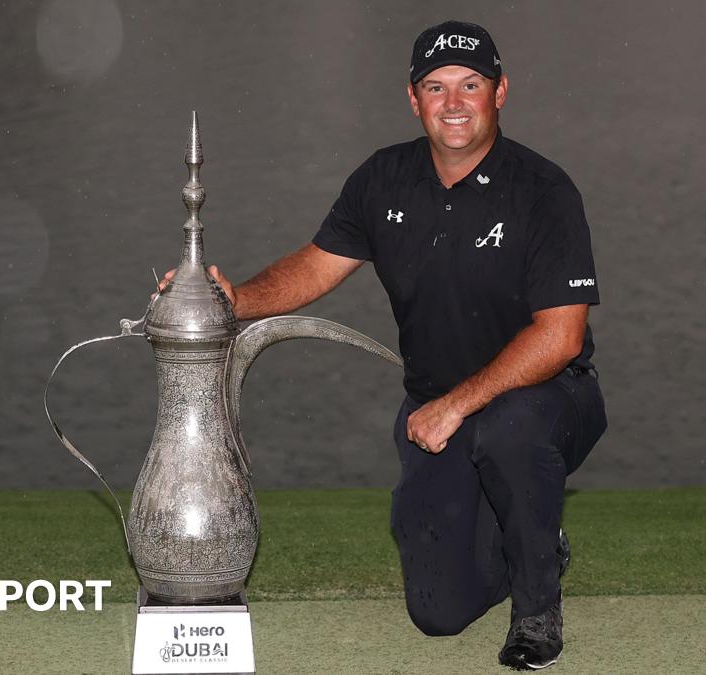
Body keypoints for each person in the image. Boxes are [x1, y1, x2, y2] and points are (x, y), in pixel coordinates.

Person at [160, 20, 606, 671]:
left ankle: (537, 612)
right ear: (413, 97)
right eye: (436, 87)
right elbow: (316, 265)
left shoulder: (544, 191)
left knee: (510, 431)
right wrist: (234, 298)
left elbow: (560, 337)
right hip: (438, 412)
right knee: (437, 612)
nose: (453, 103)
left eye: (470, 85)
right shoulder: (384, 178)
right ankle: (536, 542)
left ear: (500, 91)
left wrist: (457, 404)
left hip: (548, 396)